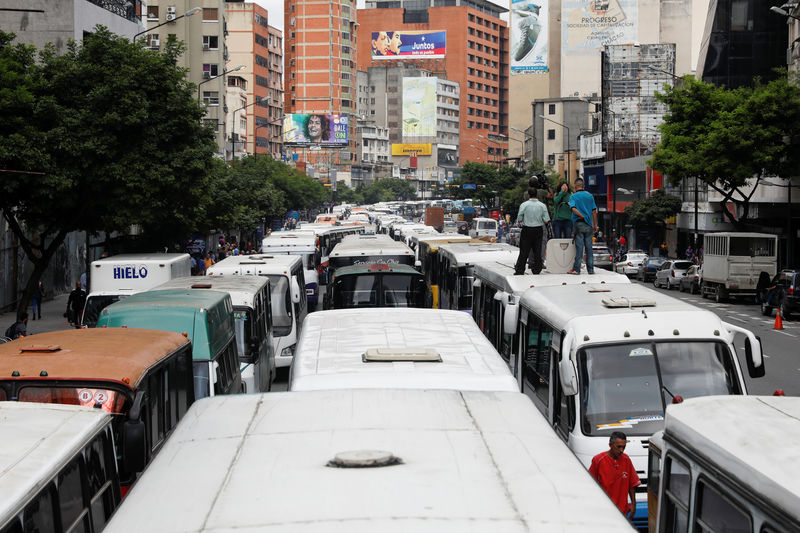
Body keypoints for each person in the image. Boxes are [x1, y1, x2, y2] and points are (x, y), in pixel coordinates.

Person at [589, 431, 641, 519]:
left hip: (622, 512)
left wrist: (633, 504)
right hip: (604, 512)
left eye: (624, 447)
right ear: (610, 445)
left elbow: (632, 484)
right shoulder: (598, 460)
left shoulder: (626, 459)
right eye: (619, 447)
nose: (621, 450)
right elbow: (590, 485)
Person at [514, 186, 551, 275]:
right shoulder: (542, 206)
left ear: (529, 195)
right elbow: (546, 220)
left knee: (524, 251)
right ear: (537, 194)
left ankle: (520, 270)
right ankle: (537, 269)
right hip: (538, 229)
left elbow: (519, 218)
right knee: (537, 250)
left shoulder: (524, 205)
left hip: (527, 229)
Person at [568, 177, 598, 274]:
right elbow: (594, 211)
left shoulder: (573, 197)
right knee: (589, 248)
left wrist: (582, 215)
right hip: (589, 225)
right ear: (583, 186)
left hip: (579, 224)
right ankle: (591, 269)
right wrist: (595, 225)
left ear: (575, 186)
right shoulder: (590, 196)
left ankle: (576, 269)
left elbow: (573, 208)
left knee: (579, 248)